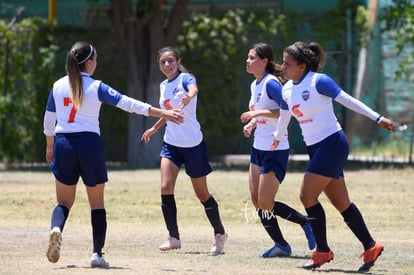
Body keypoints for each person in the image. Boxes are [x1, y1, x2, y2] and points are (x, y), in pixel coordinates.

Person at [43, 41, 184, 268]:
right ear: (89, 62)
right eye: (95, 59)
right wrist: (163, 113)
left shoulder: (58, 85)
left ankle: (56, 229)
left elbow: (49, 120)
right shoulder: (95, 86)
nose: (96, 63)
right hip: (89, 144)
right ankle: (96, 254)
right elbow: (128, 104)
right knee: (97, 204)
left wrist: (50, 145)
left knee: (63, 202)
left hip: (63, 143)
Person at [271, 41, 396, 272]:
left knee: (307, 195)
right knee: (341, 203)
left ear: (302, 66)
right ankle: (371, 246)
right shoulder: (287, 88)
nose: (283, 66)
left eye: (288, 63)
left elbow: (349, 100)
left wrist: (378, 118)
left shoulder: (319, 81)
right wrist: (277, 137)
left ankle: (322, 251)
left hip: (333, 145)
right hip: (315, 149)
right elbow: (285, 115)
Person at [141, 46, 228, 253]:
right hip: (171, 144)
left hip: (193, 145)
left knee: (202, 194)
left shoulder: (186, 79)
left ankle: (219, 233)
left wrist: (190, 96)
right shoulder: (163, 85)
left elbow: (193, 89)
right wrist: (154, 128)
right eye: (163, 62)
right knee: (165, 188)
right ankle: (173, 237)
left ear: (178, 62)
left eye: (171, 61)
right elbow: (168, 112)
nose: (167, 65)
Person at [240, 42, 316, 258]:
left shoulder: (271, 83)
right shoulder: (255, 85)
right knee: (256, 200)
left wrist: (256, 115)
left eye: (252, 57)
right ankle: (281, 244)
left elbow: (286, 109)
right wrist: (252, 124)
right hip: (258, 148)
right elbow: (262, 113)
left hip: (276, 148)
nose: (248, 61)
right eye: (248, 57)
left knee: (265, 202)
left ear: (264, 61)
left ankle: (305, 223)